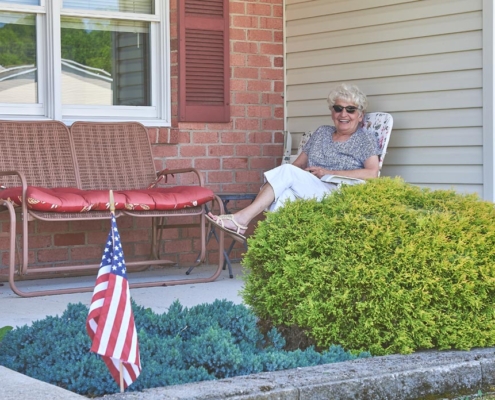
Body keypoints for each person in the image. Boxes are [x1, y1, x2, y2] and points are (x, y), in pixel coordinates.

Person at [206, 83, 380, 243]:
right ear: (332, 112)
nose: (344, 114)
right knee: (284, 195)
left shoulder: (364, 139)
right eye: (338, 108)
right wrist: (276, 185)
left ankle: (241, 220)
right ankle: (277, 251)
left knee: (287, 173)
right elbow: (297, 166)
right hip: (311, 187)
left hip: (339, 192)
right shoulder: (321, 133)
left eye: (350, 109)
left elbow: (372, 173)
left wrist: (328, 172)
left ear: (360, 115)